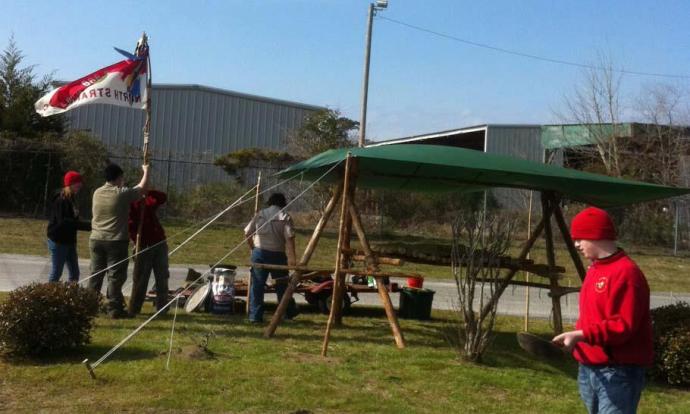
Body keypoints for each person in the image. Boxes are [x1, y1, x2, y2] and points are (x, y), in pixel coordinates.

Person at [552, 207, 653, 414]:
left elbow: (623, 326)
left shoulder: (626, 274)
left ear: (596, 235)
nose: (576, 244)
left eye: (580, 238)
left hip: (618, 370)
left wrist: (580, 335)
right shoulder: (595, 269)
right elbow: (592, 317)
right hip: (589, 367)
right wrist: (576, 341)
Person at [88, 163, 149, 319]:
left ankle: (89, 305)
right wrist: (146, 171)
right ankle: (114, 308)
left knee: (96, 273)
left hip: (96, 239)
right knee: (116, 276)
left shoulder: (97, 192)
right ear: (118, 178)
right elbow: (141, 189)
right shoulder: (121, 193)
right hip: (115, 240)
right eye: (122, 178)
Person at [244, 192, 298, 323]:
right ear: (282, 203)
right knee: (282, 285)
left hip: (259, 253)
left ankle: (255, 317)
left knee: (257, 286)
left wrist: (252, 247)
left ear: (270, 202)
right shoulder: (284, 216)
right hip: (277, 255)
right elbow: (290, 238)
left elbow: (247, 232)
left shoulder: (260, 214)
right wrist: (293, 259)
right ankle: (286, 314)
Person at [127, 189, 170, 315]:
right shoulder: (131, 204)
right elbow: (130, 226)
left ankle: (162, 308)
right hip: (144, 245)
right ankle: (135, 308)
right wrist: (136, 241)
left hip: (159, 242)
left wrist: (149, 190)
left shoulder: (148, 200)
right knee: (141, 279)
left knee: (162, 276)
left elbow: (162, 198)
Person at [46, 171, 91, 282]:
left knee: (75, 273)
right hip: (58, 241)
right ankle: (48, 297)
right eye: (77, 183)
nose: (80, 185)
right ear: (70, 184)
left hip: (69, 240)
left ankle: (71, 297)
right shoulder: (61, 200)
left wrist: (89, 224)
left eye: (80, 183)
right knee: (57, 272)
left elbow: (74, 219)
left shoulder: (71, 198)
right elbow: (65, 222)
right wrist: (89, 226)